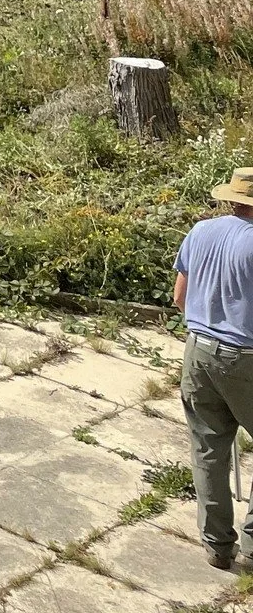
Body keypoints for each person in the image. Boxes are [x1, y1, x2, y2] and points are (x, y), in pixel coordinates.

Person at [176, 166, 253, 570]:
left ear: (232, 198)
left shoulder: (200, 231)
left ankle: (217, 545)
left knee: (208, 448)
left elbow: (179, 298)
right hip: (247, 358)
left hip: (199, 351)